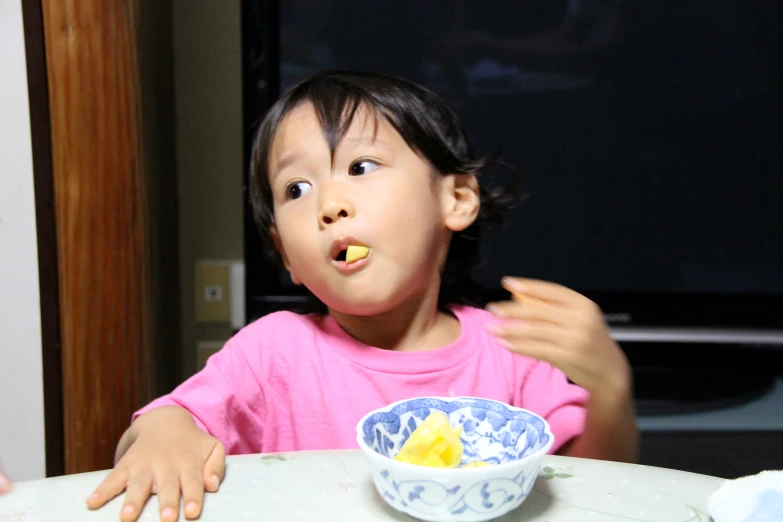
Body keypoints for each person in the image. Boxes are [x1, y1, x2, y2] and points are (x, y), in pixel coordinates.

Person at [87, 70, 638, 522]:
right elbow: (163, 422)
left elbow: (594, 490)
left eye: (360, 167)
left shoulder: (512, 351)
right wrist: (162, 438)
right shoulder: (272, 353)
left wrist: (610, 392)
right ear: (286, 254)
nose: (329, 204)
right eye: (296, 189)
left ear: (457, 198)